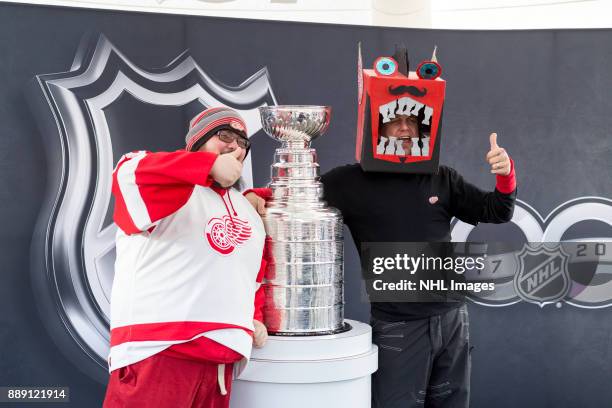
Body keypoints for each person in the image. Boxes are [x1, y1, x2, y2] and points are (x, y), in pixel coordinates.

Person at [104, 107, 268, 408]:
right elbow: (129, 171)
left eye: (243, 142)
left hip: (222, 359)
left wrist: (254, 316)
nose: (235, 147)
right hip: (161, 351)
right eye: (224, 136)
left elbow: (252, 275)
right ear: (197, 142)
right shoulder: (169, 187)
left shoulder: (247, 208)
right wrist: (205, 166)